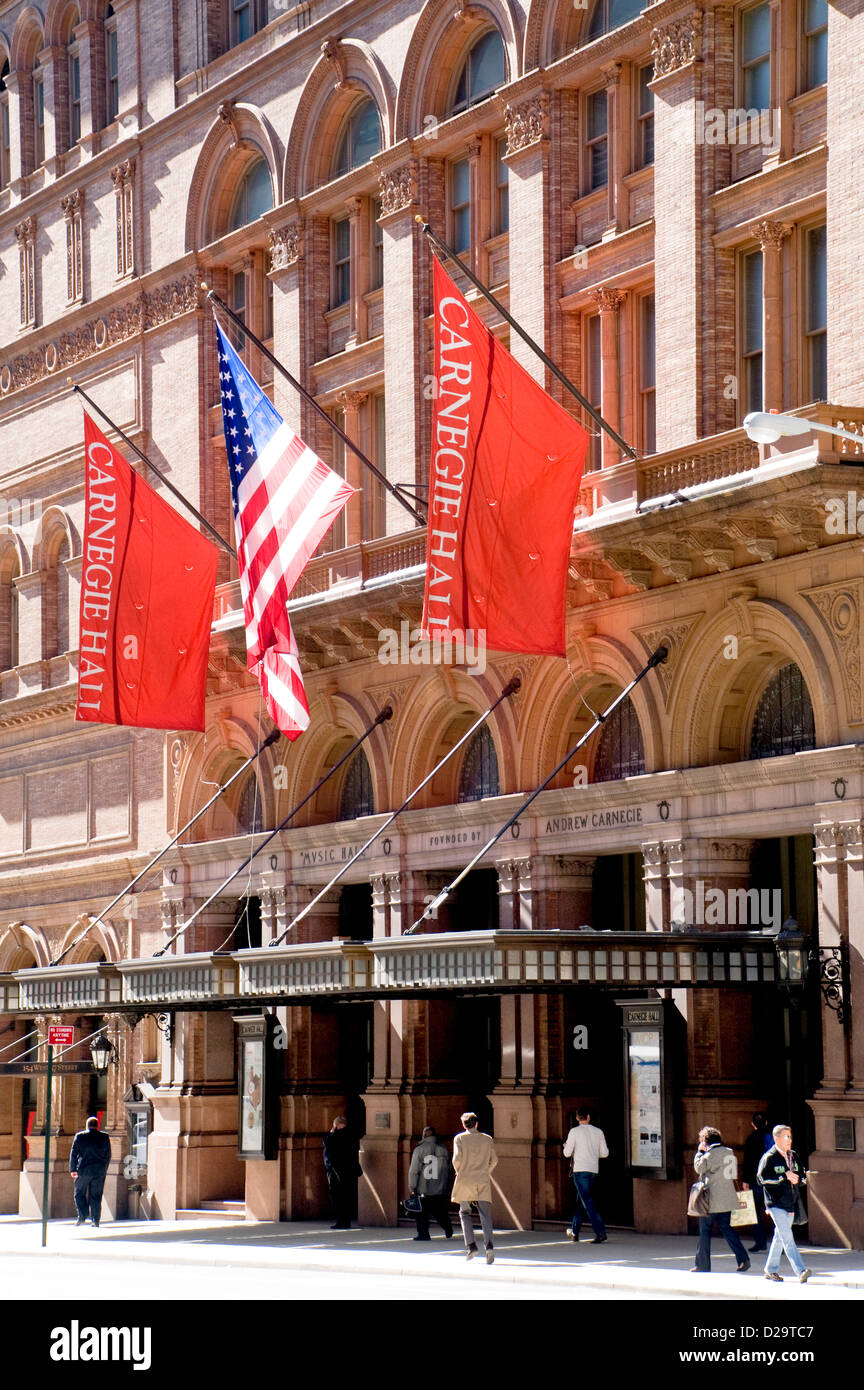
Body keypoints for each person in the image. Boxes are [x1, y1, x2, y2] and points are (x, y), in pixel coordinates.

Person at [690, 1125, 750, 1274]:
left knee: (705, 1231)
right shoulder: (730, 1152)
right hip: (727, 1200)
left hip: (710, 1200)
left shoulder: (710, 1154)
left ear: (705, 1141)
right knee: (727, 1229)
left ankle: (702, 1265)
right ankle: (743, 1258)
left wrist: (699, 1152)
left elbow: (699, 1168)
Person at [757, 1124, 811, 1283]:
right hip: (775, 1204)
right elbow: (761, 1179)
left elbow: (803, 1175)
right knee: (788, 1238)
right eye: (786, 1136)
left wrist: (798, 1179)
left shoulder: (793, 1156)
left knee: (780, 1237)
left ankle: (770, 1270)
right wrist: (783, 1177)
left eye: (790, 1136)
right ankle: (801, 1270)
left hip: (790, 1203)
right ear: (776, 1138)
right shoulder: (769, 1158)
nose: (789, 1140)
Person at [452, 1112, 497, 1264]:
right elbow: (494, 1160)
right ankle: (489, 1246)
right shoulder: (487, 1139)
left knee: (464, 1212)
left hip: (465, 1178)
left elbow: (457, 1159)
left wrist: (459, 1171)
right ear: (476, 1123)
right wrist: (486, 1171)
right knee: (485, 1214)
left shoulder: (459, 1138)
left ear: (464, 1125)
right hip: (482, 1179)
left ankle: (471, 1246)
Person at [562, 1107, 609, 1243]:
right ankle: (574, 1232)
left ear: (577, 1118)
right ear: (588, 1117)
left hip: (580, 1170)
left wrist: (566, 1146)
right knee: (581, 1201)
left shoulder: (574, 1132)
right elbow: (605, 1153)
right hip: (593, 1170)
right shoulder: (598, 1132)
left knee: (586, 1201)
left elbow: (567, 1153)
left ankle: (600, 1231)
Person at [408, 1126, 454, 1241]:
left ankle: (423, 1234)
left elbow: (414, 1170)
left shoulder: (419, 1149)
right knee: (440, 1210)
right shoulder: (443, 1148)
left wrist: (412, 1186)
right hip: (440, 1187)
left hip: (423, 1188)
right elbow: (449, 1168)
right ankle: (447, 1226)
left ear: (424, 1135)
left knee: (421, 1213)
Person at [69, 1116, 111, 1227]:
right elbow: (108, 1155)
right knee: (96, 1196)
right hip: (99, 1171)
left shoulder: (80, 1136)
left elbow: (73, 1154)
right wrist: (104, 1169)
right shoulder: (104, 1137)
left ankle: (82, 1216)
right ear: (97, 1125)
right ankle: (95, 1220)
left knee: (79, 1193)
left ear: (87, 1126)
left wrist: (73, 1169)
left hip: (83, 1170)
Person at [323, 1115, 360, 1230]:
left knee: (338, 1196)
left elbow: (327, 1142)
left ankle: (341, 1221)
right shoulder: (352, 1135)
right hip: (348, 1170)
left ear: (337, 1125)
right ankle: (346, 1221)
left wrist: (332, 1132)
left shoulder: (336, 1136)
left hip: (337, 1170)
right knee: (347, 1195)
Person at [741, 1111, 771, 1252]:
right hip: (771, 1181)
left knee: (754, 1212)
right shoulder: (770, 1138)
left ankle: (760, 1242)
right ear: (766, 1123)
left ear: (752, 1124)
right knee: (776, 1212)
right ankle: (781, 1242)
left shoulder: (750, 1139)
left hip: (754, 1181)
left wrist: (745, 1180)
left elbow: (747, 1161)